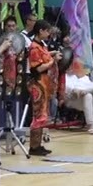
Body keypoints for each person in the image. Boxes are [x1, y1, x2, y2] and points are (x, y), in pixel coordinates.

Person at [26, 20, 57, 156]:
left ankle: (38, 145)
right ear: (41, 31)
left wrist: (51, 54)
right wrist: (52, 61)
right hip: (37, 83)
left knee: (42, 114)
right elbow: (38, 67)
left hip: (44, 83)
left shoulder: (41, 46)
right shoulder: (34, 47)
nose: (48, 33)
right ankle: (33, 147)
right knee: (38, 114)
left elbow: (45, 58)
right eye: (47, 31)